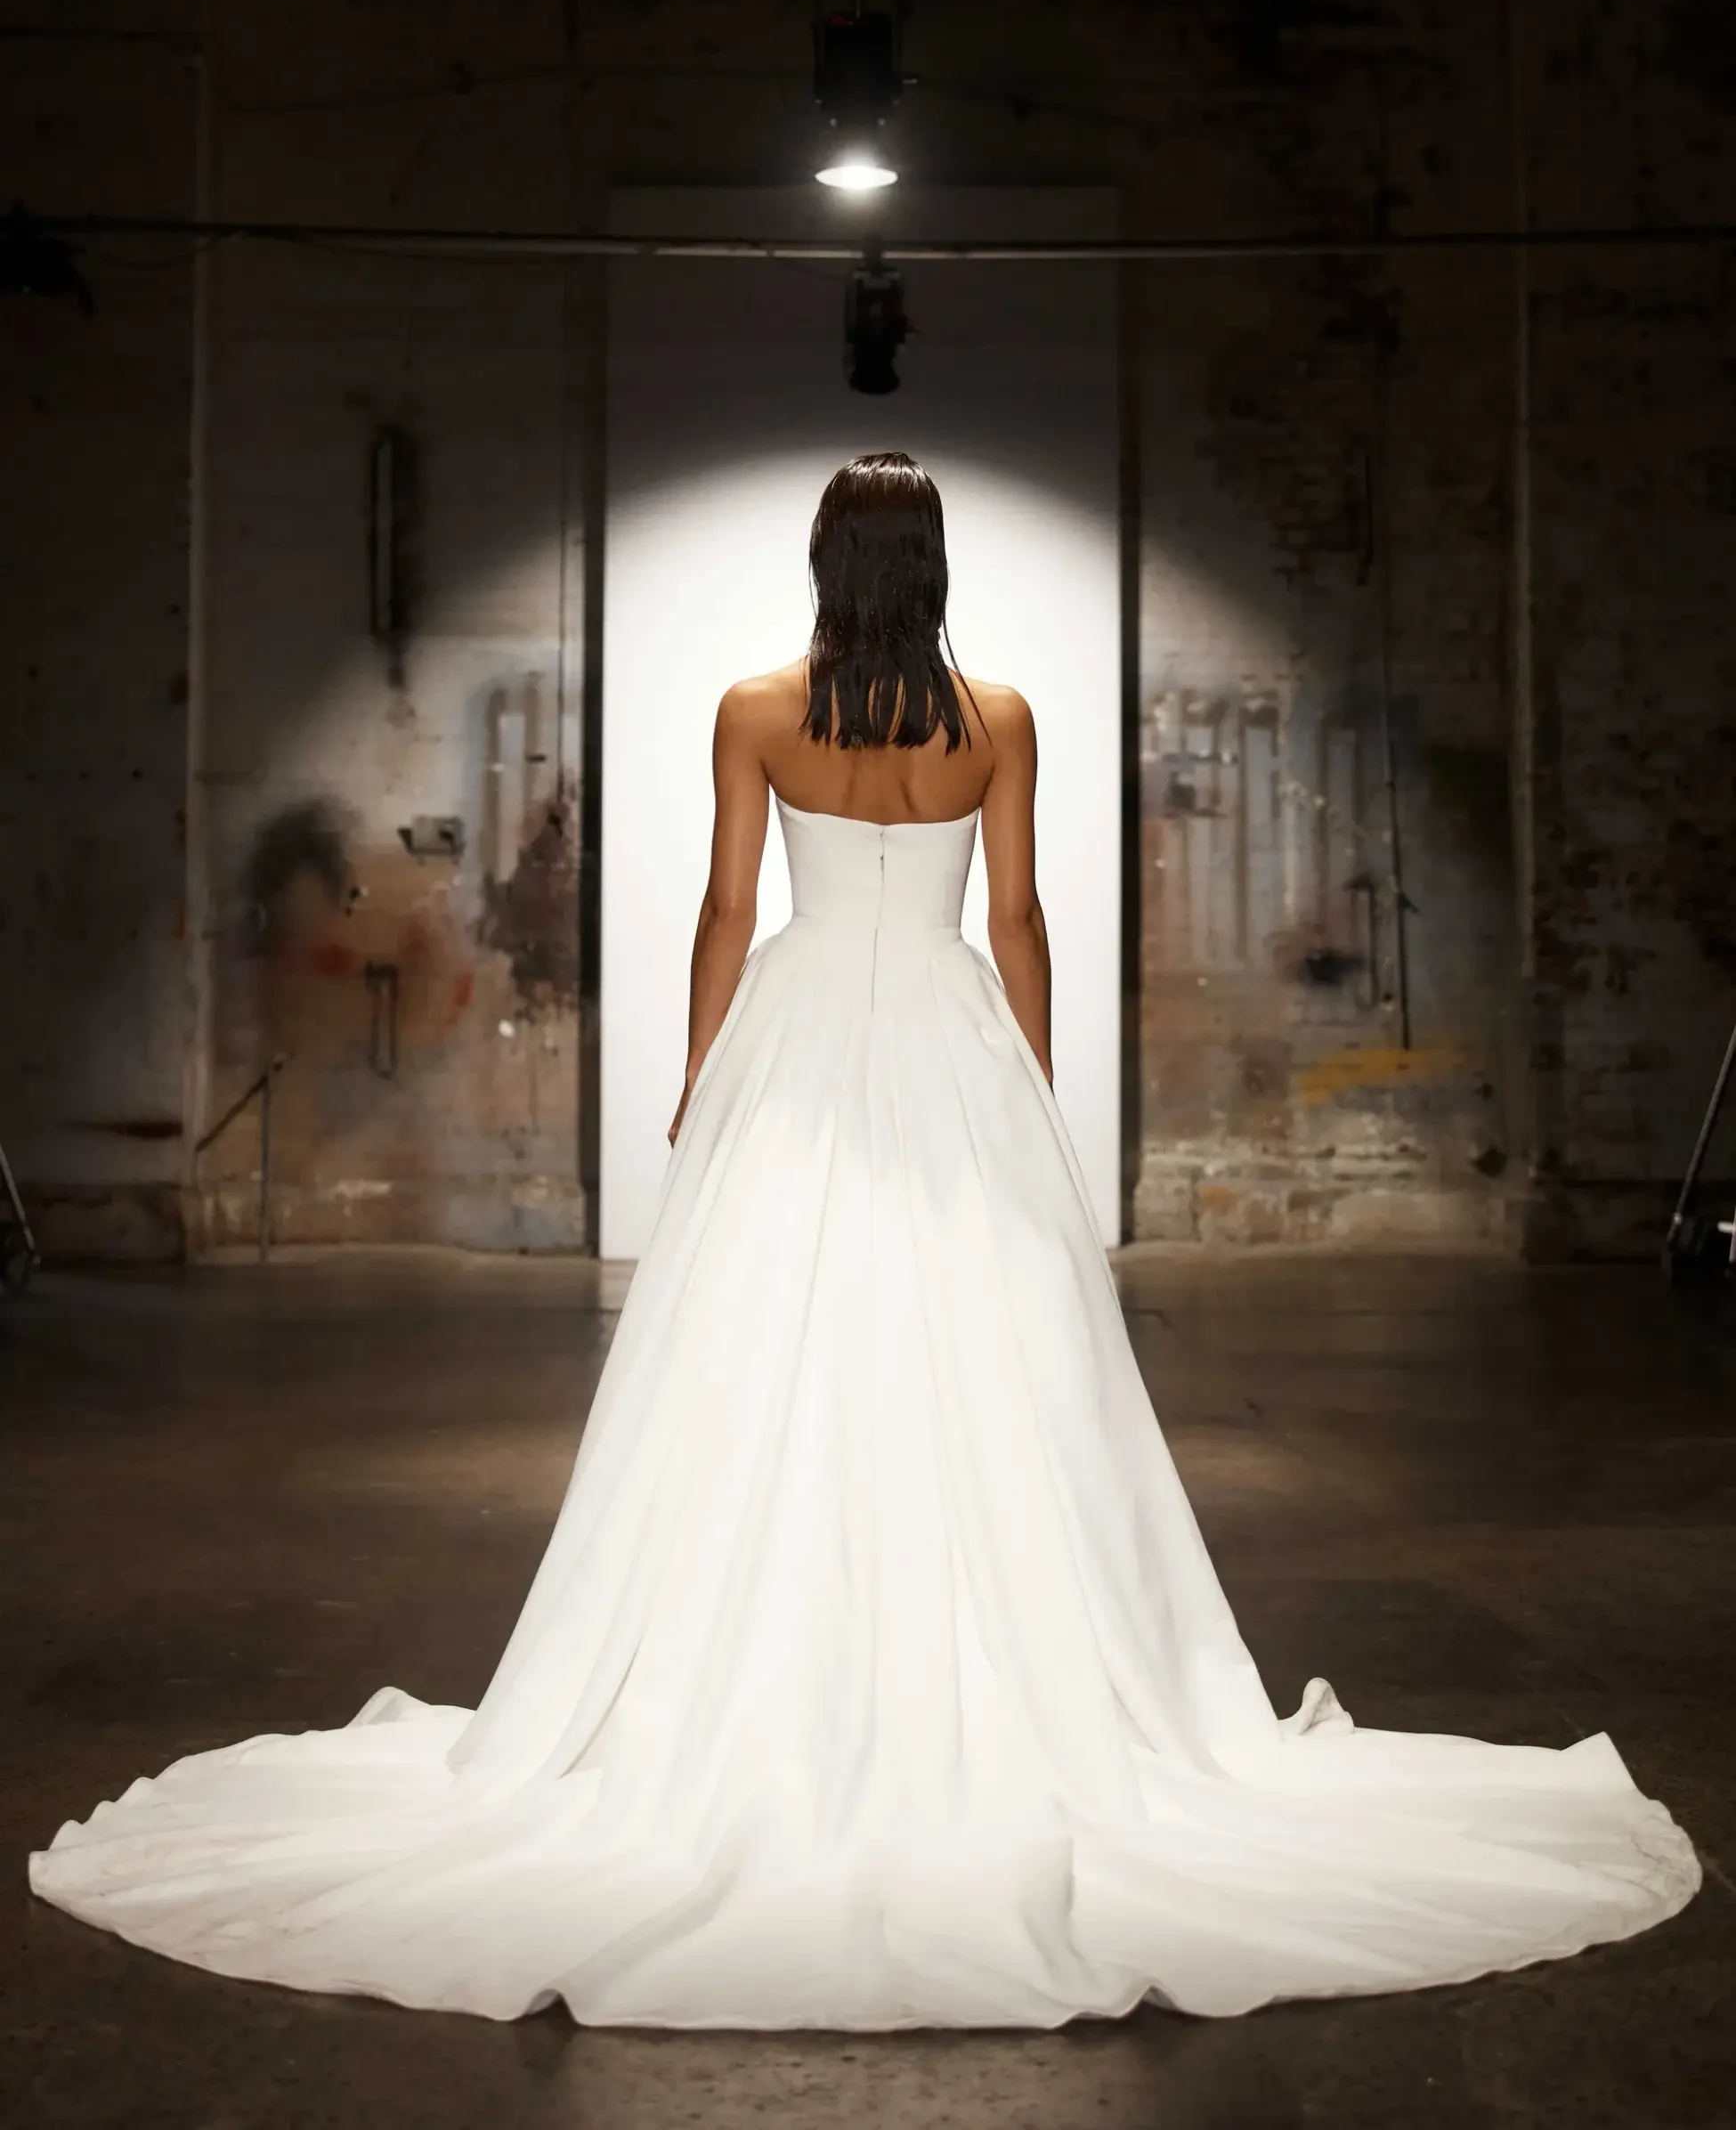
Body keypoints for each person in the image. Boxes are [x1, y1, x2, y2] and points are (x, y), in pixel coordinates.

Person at [28, 451, 1700, 2029]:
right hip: (950, 1040)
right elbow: (1020, 914)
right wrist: (1037, 1092)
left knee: (763, 1346)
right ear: (938, 569)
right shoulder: (1000, 719)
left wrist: (695, 1076)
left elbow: (729, 910)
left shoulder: (757, 709)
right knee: (988, 1353)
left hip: (803, 1036)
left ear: (826, 564)